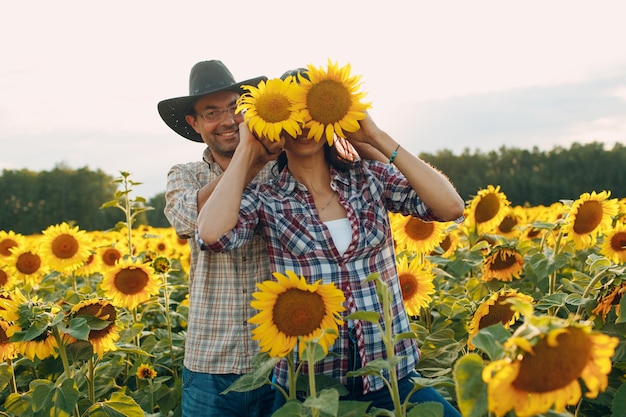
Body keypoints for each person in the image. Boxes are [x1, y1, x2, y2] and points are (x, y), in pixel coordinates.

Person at [196, 69, 466, 416]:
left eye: (313, 113)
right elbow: (211, 234)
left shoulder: (369, 179)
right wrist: (249, 148)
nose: (305, 126)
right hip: (311, 389)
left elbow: (450, 206)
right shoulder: (267, 198)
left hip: (389, 375)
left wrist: (375, 135)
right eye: (294, 116)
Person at [158, 60, 282, 417]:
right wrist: (251, 161)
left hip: (281, 355)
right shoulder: (186, 174)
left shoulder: (284, 166)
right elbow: (186, 220)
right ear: (195, 124)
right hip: (211, 359)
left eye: (235, 108)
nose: (228, 121)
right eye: (212, 112)